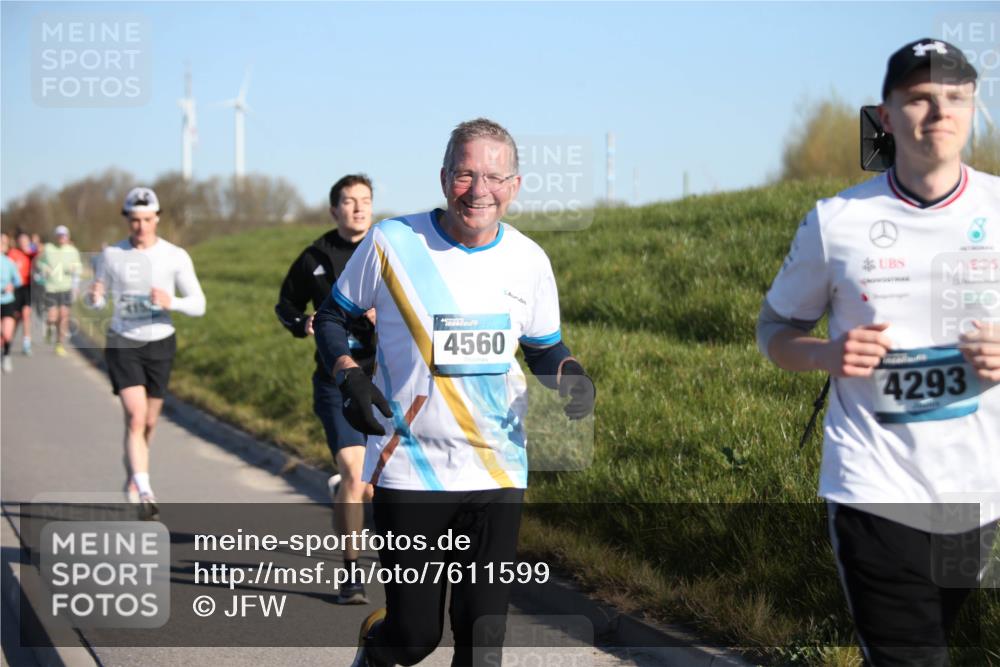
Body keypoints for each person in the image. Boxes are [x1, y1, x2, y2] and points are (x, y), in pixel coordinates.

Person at [315, 118, 596, 667]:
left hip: (496, 469)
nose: (479, 190)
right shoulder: (393, 241)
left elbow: (544, 347)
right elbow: (331, 317)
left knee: (482, 644)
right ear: (444, 179)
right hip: (410, 467)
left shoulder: (529, 260)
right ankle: (376, 649)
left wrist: (569, 374)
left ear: (514, 186)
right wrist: (349, 374)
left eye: (494, 177)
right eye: (465, 175)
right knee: (414, 638)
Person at [757, 39, 1000, 665]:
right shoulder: (836, 221)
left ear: (974, 109)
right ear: (886, 116)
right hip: (874, 486)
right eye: (919, 98)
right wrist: (827, 354)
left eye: (955, 98)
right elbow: (774, 329)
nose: (939, 112)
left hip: (976, 492)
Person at [275, 173, 378, 604]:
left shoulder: (387, 251)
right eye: (350, 201)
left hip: (386, 380)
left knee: (371, 486)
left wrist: (385, 315)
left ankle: (344, 493)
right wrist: (303, 323)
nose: (358, 208)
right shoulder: (314, 258)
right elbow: (285, 305)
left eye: (365, 200)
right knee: (355, 473)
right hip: (337, 382)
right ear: (335, 209)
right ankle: (352, 575)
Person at [87, 187, 206, 519]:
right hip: (123, 341)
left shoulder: (175, 256)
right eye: (134, 220)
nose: (141, 227)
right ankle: (144, 489)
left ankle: (134, 472)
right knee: (136, 416)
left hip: (160, 342)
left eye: (147, 220)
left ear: (157, 219)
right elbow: (96, 300)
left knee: (149, 422)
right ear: (127, 219)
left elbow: (199, 304)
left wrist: (172, 302)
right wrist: (94, 297)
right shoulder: (111, 255)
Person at [35, 225, 83, 357]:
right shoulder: (48, 248)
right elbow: (38, 262)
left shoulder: (73, 251)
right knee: (52, 317)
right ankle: (49, 328)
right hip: (51, 287)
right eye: (59, 235)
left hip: (66, 288)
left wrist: (75, 273)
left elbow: (79, 268)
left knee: (63, 317)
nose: (62, 238)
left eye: (64, 235)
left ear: (68, 237)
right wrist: (44, 268)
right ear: (56, 236)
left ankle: (59, 344)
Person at [6, 231, 37, 355]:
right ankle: (7, 339)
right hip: (15, 288)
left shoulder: (32, 254)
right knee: (15, 316)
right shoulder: (13, 253)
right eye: (21, 241)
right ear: (18, 242)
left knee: (26, 314)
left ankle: (26, 343)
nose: (24, 243)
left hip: (27, 287)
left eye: (26, 241)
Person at [1, 233, 23, 373]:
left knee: (7, 333)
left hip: (7, 301)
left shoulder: (9, 262)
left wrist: (11, 286)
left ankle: (6, 356)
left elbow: (18, 280)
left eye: (4, 243)